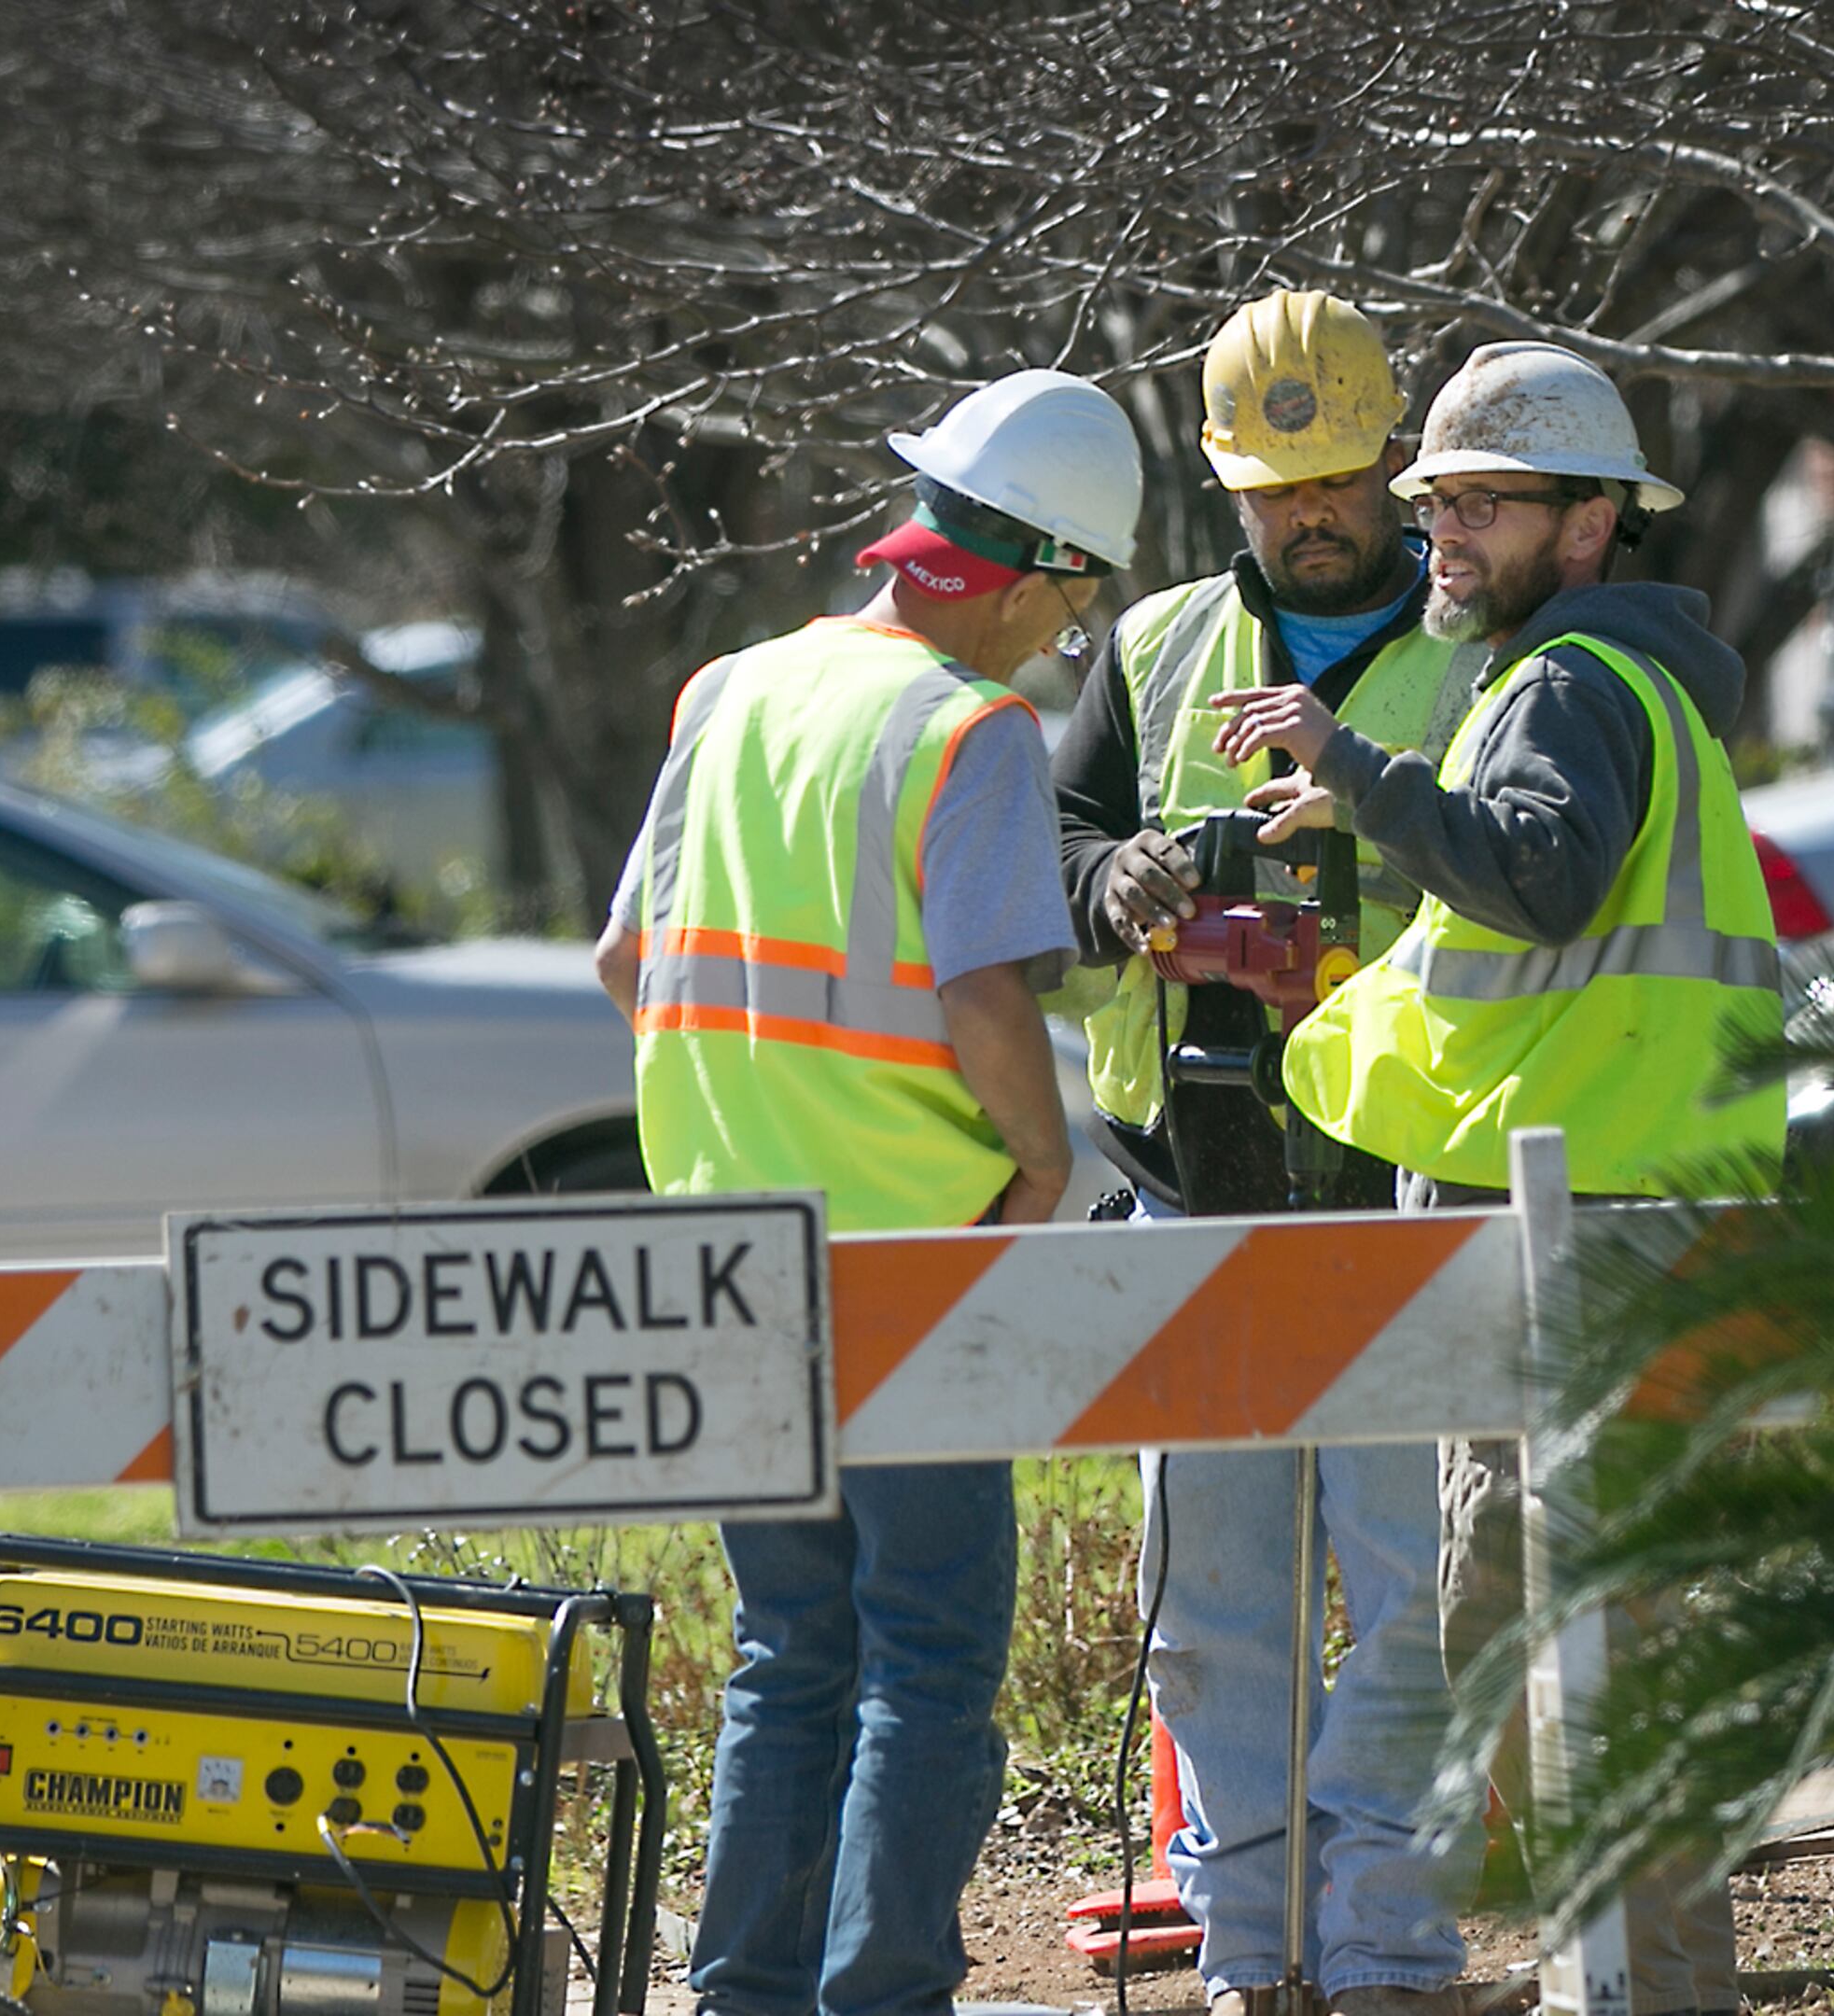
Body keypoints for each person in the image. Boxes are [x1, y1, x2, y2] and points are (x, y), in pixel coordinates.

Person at [1219, 340, 1786, 2016]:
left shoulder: (1568, 684)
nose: (1447, 532)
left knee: (1555, 1637)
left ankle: (1637, 1984)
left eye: (1487, 504)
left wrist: (1356, 769)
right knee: (1585, 1634)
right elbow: (1543, 949)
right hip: (1613, 1201)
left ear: (1595, 522)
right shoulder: (1615, 681)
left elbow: (1536, 881)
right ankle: (1635, 1974)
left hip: (1589, 1224)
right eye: (1440, 501)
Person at [593, 366, 1141, 2016]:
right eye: (1083, 594)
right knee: (927, 1652)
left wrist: (749, 1100)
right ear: (1039, 572)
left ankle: (745, 1994)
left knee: (789, 1650)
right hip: (913, 1251)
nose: (1076, 627)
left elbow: (627, 954)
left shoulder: (729, 690)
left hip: (728, 1247)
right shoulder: (970, 733)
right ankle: (885, 1994)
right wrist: (1044, 1161)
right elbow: (984, 996)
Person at [1050, 290, 1491, 2016]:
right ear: (1228, 489)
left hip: (1393, 1195)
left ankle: (1386, 1950)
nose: (1309, 515)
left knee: (1411, 1608)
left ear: (1393, 466)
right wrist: (1122, 882)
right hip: (1196, 1193)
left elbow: (1532, 871)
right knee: (1216, 1612)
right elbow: (1069, 830)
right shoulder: (1158, 644)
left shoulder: (1478, 658)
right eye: (1271, 488)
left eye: (1337, 481)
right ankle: (1251, 1955)